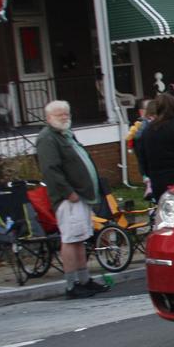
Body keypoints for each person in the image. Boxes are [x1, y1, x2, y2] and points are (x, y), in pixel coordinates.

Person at [35, 100, 111, 298]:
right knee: (70, 239)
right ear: (49, 117)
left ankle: (84, 280)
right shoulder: (47, 138)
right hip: (69, 198)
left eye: (66, 114)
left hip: (81, 196)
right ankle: (72, 284)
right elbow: (50, 170)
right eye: (59, 114)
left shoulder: (66, 135)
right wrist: (68, 192)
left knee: (80, 238)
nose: (64, 117)